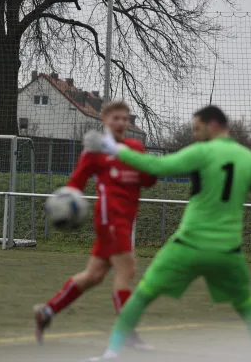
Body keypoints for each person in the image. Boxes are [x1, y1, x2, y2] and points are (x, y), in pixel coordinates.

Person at [81, 105, 251, 362]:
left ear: (212, 125)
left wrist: (114, 148)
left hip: (187, 246)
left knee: (142, 294)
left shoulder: (202, 151)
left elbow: (156, 166)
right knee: (247, 306)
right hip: (228, 252)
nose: (194, 134)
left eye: (197, 128)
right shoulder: (250, 160)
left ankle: (111, 353)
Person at [33, 101, 158, 350]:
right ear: (104, 121)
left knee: (94, 276)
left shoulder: (134, 148)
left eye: (125, 118)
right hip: (110, 217)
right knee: (127, 269)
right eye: (116, 118)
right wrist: (64, 204)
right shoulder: (95, 150)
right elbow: (75, 183)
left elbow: (149, 180)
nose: (121, 123)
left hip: (125, 219)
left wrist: (145, 164)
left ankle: (47, 311)